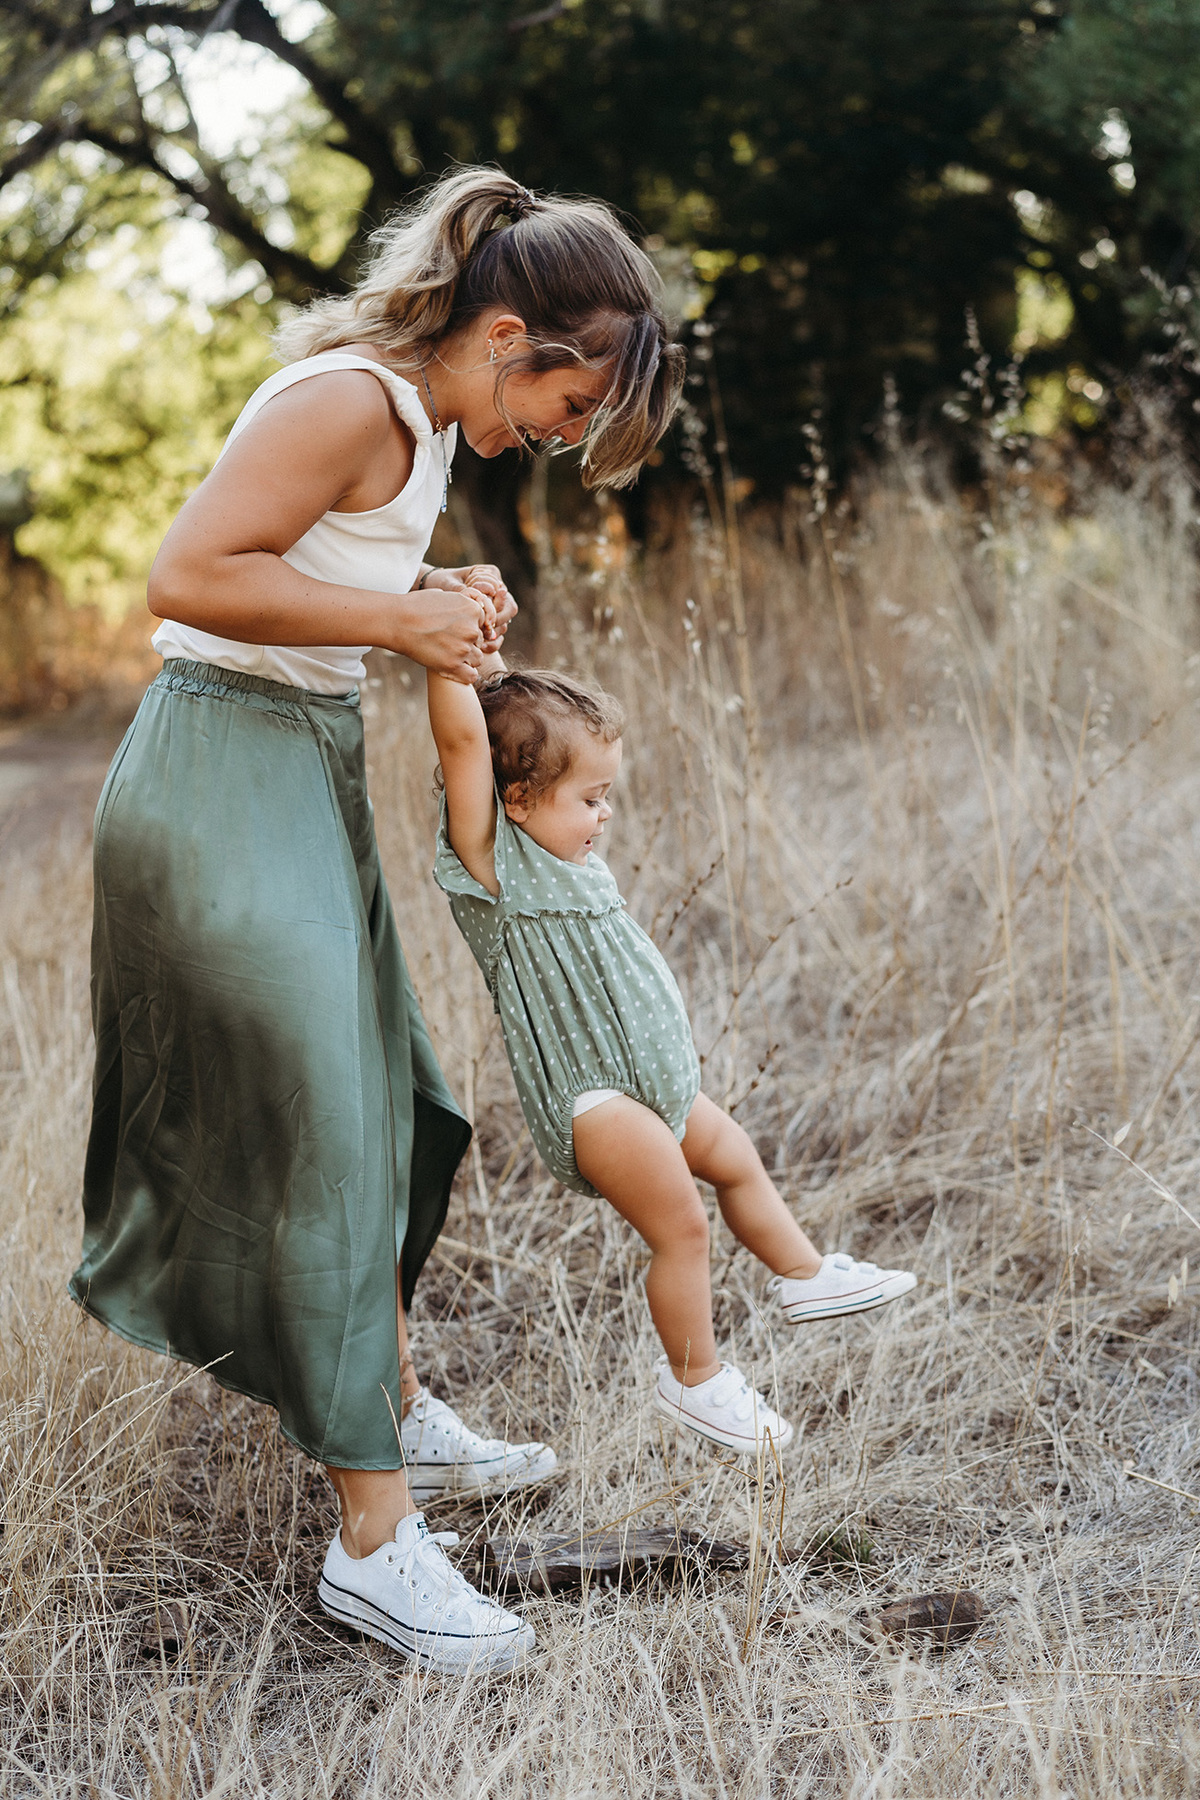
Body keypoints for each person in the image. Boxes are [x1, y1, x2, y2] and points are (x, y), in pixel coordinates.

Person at [70, 166, 684, 1676]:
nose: (559, 436)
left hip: (305, 766)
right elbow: (190, 575)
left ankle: (386, 1396)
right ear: (504, 333)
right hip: (218, 771)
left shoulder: (412, 429)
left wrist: (424, 588)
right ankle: (373, 1546)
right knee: (323, 1134)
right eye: (565, 401)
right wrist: (396, 618)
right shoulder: (348, 398)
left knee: (399, 1104)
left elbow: (315, 571)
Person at [428, 667, 918, 1457]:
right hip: (594, 1100)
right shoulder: (496, 870)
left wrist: (482, 647)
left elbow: (502, 724)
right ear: (515, 801)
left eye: (605, 793)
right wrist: (442, 657)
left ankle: (804, 1275)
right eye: (589, 798)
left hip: (654, 1088)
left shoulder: (575, 861)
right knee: (683, 1229)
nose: (606, 811)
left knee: (735, 1160)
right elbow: (463, 740)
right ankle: (695, 1381)